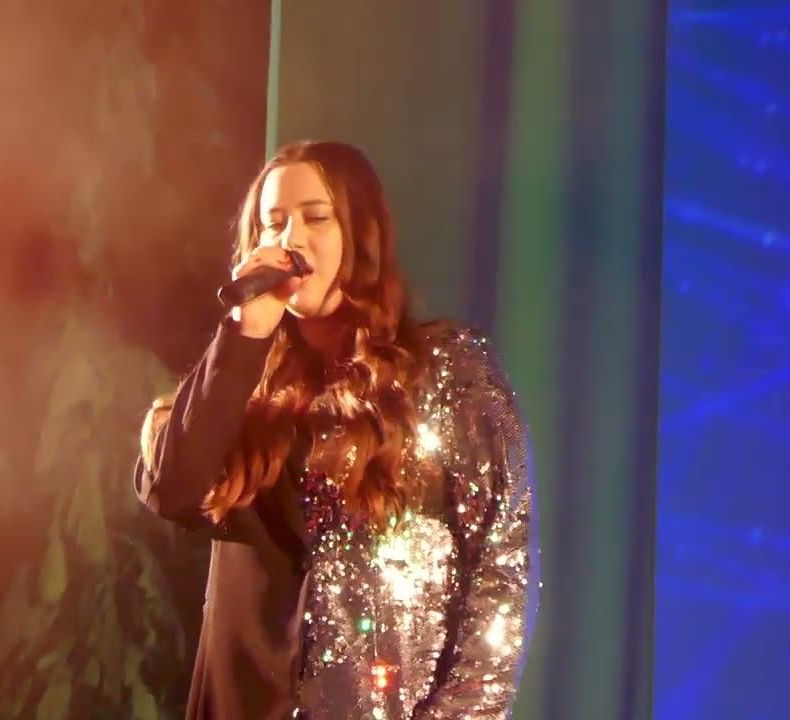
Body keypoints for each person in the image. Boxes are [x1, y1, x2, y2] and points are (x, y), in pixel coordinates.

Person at [134, 140, 540, 720]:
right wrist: (244, 335)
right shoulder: (237, 390)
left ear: (362, 235)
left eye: (315, 217)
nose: (290, 239)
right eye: (273, 223)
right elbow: (170, 489)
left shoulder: (447, 370)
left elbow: (499, 568)